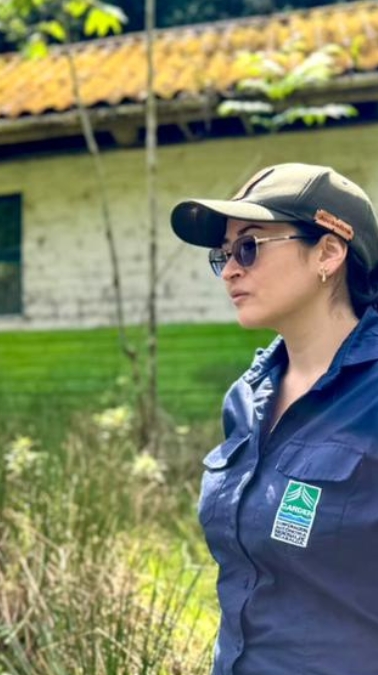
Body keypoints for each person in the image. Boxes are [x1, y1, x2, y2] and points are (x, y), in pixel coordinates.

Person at [170, 163, 378, 675]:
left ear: (328, 253)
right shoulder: (248, 397)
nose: (230, 271)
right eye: (223, 255)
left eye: (249, 247)